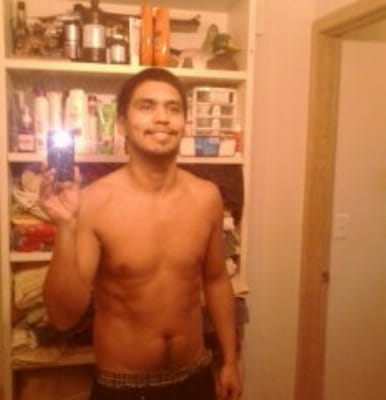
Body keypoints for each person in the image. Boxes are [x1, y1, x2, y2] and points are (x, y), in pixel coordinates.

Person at [40, 67, 241, 400]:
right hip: (123, 387)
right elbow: (63, 317)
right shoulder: (95, 202)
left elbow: (217, 280)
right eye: (147, 106)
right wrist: (65, 226)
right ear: (122, 124)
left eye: (173, 108)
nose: (162, 117)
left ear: (185, 123)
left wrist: (230, 361)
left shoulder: (207, 197)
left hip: (195, 377)